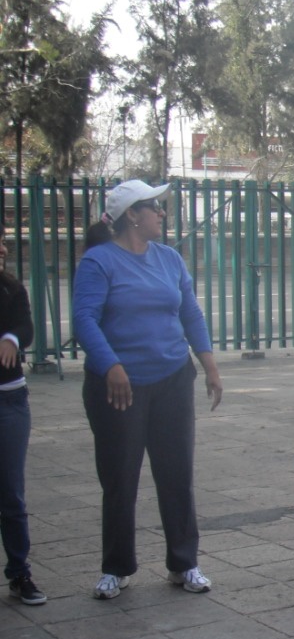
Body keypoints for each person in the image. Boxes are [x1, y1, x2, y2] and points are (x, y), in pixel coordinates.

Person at [72, 179, 223, 600]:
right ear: (132, 216)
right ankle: (116, 568)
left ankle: (184, 563)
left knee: (176, 473)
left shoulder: (168, 258)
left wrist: (209, 364)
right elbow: (84, 319)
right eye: (154, 207)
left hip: (172, 378)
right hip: (119, 388)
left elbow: (190, 312)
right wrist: (112, 366)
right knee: (120, 477)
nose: (161, 213)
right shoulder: (99, 261)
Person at [0, 237, 45, 605]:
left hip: (10, 400)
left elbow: (26, 327)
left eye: (2, 242)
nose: (2, 249)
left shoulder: (12, 288)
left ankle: (19, 572)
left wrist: (13, 338)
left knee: (11, 493)